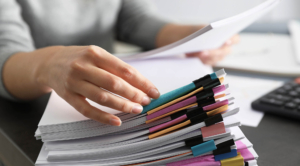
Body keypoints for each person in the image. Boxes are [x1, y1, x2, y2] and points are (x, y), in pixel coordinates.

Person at [0, 0, 239, 126]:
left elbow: (134, 19)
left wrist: (192, 35)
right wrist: (48, 65)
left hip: (107, 95)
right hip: (31, 108)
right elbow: (6, 53)